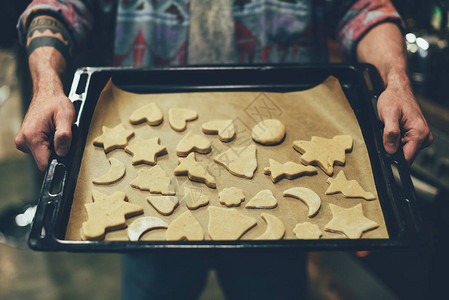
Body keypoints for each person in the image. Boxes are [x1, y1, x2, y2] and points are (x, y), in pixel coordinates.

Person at [14, 1, 433, 299]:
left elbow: (363, 9)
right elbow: (58, 6)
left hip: (275, 195)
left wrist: (396, 83)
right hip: (151, 222)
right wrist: (47, 82)